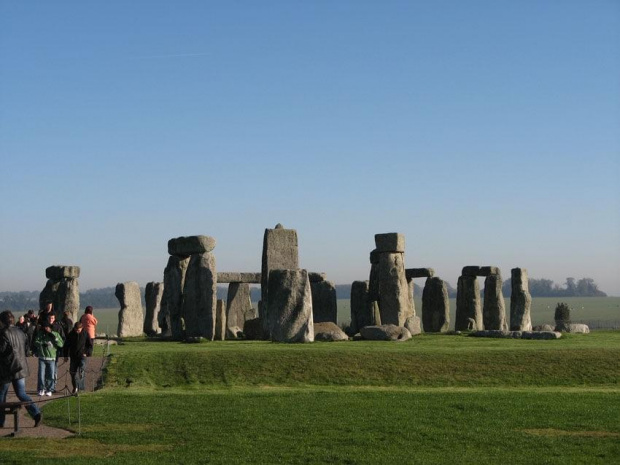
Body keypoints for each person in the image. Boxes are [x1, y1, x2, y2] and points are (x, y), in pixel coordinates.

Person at [0, 310, 42, 427]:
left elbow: (2, 351)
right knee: (22, 394)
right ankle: (36, 413)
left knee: (1, 394)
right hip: (20, 367)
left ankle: (1, 421)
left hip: (7, 369)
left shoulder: (3, 333)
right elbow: (25, 348)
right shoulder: (20, 332)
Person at [34, 314, 64, 396]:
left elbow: (61, 344)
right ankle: (41, 389)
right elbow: (35, 342)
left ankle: (49, 389)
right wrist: (42, 343)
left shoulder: (55, 334)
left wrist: (55, 338)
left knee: (51, 374)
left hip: (51, 357)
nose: (45, 329)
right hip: (42, 357)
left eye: (47, 327)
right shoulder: (40, 334)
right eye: (44, 327)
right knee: (41, 374)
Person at [65, 322, 92, 394]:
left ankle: (81, 388)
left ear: (82, 328)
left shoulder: (85, 334)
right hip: (73, 356)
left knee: (82, 370)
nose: (77, 331)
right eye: (76, 330)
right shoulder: (71, 334)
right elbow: (66, 346)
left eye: (79, 330)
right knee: (72, 373)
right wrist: (65, 356)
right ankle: (75, 387)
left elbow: (89, 345)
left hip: (82, 356)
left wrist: (87, 352)